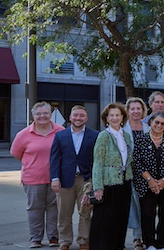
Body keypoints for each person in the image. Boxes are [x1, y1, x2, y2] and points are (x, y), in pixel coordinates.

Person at [11, 101, 66, 249]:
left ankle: (54, 237)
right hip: (33, 179)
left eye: (45, 113)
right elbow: (16, 153)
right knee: (35, 209)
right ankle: (35, 238)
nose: (42, 116)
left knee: (55, 209)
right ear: (33, 115)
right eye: (38, 113)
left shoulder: (61, 131)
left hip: (56, 179)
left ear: (50, 114)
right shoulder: (23, 134)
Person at [50, 105, 99, 250]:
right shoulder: (60, 135)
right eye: (75, 115)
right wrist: (55, 178)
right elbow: (54, 159)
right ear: (70, 117)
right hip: (65, 180)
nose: (78, 118)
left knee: (85, 212)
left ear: (86, 118)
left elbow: (97, 159)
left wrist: (95, 181)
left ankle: (84, 240)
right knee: (64, 213)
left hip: (86, 180)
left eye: (81, 115)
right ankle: (65, 241)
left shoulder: (95, 135)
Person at [90, 102, 134, 250]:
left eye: (118, 115)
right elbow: (97, 162)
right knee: (106, 221)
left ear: (123, 117)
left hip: (124, 182)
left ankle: (118, 246)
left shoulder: (126, 135)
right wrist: (98, 187)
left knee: (121, 218)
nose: (115, 118)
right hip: (108, 184)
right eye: (111, 115)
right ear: (106, 118)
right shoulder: (103, 136)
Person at [133, 110, 164, 250]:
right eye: (157, 122)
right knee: (148, 213)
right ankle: (150, 243)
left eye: (163, 124)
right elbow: (137, 162)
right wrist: (150, 180)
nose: (159, 125)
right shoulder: (141, 139)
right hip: (146, 184)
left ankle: (163, 243)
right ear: (151, 122)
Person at [124, 97, 148, 250]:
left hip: (147, 174)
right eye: (132, 109)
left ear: (143, 110)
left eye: (138, 108)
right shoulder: (122, 128)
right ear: (127, 111)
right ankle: (136, 237)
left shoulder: (149, 127)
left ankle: (145, 235)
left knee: (145, 207)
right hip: (128, 174)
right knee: (132, 207)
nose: (136, 111)